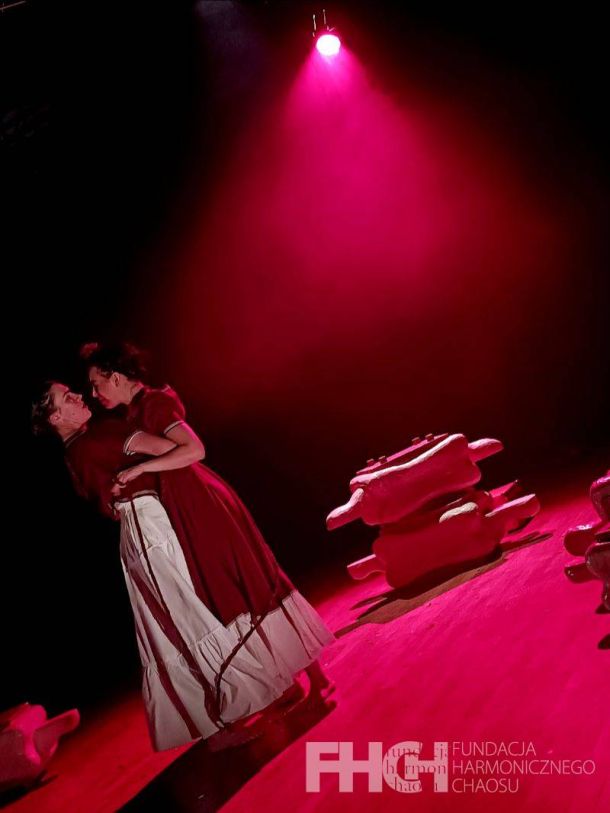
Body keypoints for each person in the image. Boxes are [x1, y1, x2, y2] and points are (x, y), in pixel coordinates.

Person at [31, 381, 332, 752]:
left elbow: (108, 499)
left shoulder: (75, 452)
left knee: (180, 622)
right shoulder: (97, 438)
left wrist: (131, 480)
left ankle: (229, 717)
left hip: (142, 532)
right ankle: (229, 717)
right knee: (190, 616)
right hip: (152, 531)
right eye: (68, 397)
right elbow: (173, 450)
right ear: (56, 417)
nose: (80, 395)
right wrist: (154, 445)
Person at [81, 341, 336, 711]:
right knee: (231, 591)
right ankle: (287, 680)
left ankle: (316, 677)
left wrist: (140, 468)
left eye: (96, 384)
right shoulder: (136, 410)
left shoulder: (154, 403)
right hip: (187, 504)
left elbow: (194, 449)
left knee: (249, 581)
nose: (94, 394)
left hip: (202, 502)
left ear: (116, 377)